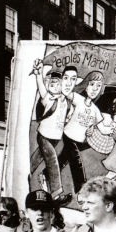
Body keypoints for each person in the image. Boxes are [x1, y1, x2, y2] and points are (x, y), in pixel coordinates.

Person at [30, 60, 75, 205]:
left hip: (56, 137)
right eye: (51, 83)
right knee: (52, 160)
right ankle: (56, 195)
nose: (53, 86)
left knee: (36, 160)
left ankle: (28, 172)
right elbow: (41, 86)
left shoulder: (65, 100)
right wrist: (38, 74)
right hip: (44, 136)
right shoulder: (47, 98)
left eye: (57, 83)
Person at [59, 71, 106, 194]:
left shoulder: (95, 110)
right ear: (86, 85)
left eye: (98, 86)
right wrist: (70, 80)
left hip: (80, 140)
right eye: (92, 84)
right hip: (68, 135)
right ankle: (81, 190)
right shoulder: (78, 99)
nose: (95, 89)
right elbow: (66, 92)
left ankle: (47, 174)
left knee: (63, 160)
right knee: (76, 161)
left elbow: (100, 127)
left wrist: (94, 129)